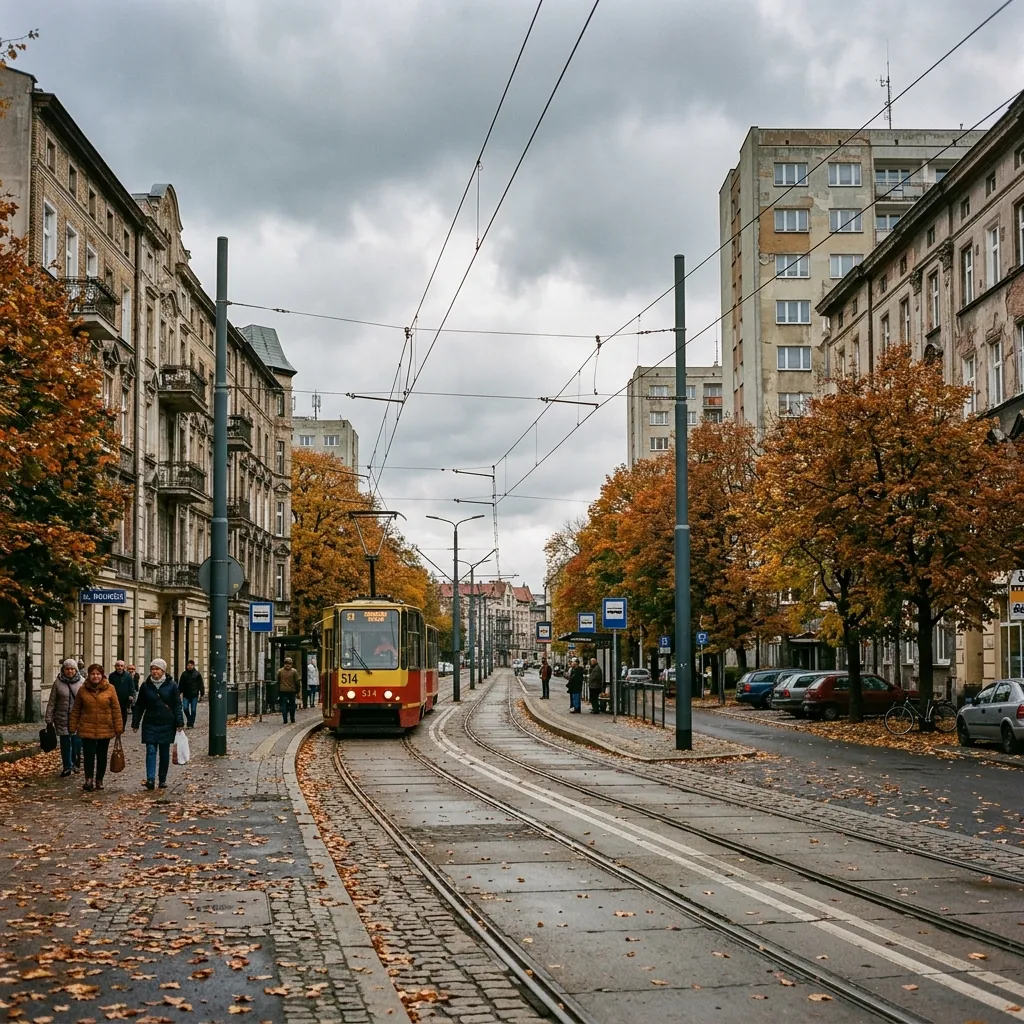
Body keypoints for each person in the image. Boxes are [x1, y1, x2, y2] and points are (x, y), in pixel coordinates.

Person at [131, 658, 184, 791]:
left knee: (164, 752)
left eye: (157, 669)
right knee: (150, 750)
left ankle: (162, 779)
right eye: (153, 669)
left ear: (163, 671)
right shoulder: (145, 686)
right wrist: (135, 722)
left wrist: (179, 721)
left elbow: (177, 705)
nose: (154, 671)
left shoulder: (172, 686)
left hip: (167, 722)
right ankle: (150, 779)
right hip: (150, 722)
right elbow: (140, 705)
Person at [70, 664, 123, 792]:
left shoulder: (110, 689)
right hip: (87, 727)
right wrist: (72, 725)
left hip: (105, 727)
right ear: (89, 675)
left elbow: (116, 709)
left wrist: (118, 728)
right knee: (88, 755)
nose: (95, 676)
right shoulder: (83, 690)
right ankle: (88, 779)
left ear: (102, 675)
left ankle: (99, 780)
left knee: (101, 755)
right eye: (93, 674)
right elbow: (76, 709)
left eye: (98, 674)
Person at [45, 659, 83, 777]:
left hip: (78, 718)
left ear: (76, 670)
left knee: (76, 742)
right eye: (67, 669)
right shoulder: (58, 683)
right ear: (63, 669)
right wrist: (49, 719)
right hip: (61, 717)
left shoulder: (82, 682)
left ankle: (76, 762)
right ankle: (67, 766)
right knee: (65, 743)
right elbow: (52, 701)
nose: (70, 671)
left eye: (72, 669)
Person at [108, 659, 137, 729]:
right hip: (114, 698)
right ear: (115, 667)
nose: (119, 667)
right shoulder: (112, 676)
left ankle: (122, 727)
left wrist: (131, 695)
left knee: (123, 714)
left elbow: (131, 686)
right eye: (118, 666)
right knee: (114, 713)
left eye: (121, 666)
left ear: (124, 667)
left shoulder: (128, 676)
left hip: (125, 699)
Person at [178, 659, 205, 728]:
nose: (189, 666)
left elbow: (200, 684)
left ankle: (190, 724)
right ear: (187, 666)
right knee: (185, 708)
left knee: (193, 710)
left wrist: (202, 693)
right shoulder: (184, 674)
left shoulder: (197, 674)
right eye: (188, 665)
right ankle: (189, 720)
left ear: (193, 666)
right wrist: (178, 692)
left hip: (194, 695)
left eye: (191, 665)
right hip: (186, 695)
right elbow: (181, 684)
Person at [277, 657, 299, 724]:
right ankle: (292, 719)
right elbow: (297, 682)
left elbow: (278, 680)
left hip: (282, 691)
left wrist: (278, 691)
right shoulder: (294, 671)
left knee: (284, 705)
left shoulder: (280, 671)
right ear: (291, 664)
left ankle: (285, 720)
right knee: (292, 705)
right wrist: (298, 691)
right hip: (292, 691)